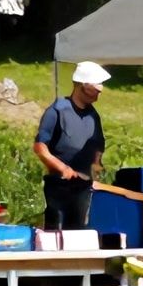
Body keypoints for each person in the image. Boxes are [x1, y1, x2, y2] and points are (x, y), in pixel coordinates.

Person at [33, 61, 109, 230]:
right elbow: (40, 147)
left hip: (84, 188)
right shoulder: (57, 110)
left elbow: (98, 146)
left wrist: (96, 166)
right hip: (58, 187)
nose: (100, 91)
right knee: (57, 234)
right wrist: (62, 168)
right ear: (82, 85)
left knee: (79, 232)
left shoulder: (93, 115)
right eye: (96, 88)